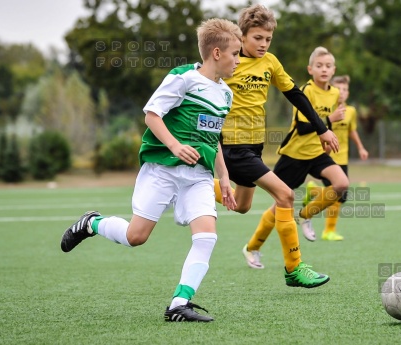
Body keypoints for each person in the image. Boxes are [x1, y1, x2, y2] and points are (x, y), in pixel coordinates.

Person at [59, 18, 241, 322]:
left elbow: (214, 138)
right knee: (136, 236)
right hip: (164, 169)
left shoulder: (226, 94)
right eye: (235, 53)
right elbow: (152, 115)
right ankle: (91, 223)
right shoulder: (183, 77)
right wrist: (174, 146)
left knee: (207, 237)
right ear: (217, 53)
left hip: (198, 177)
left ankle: (178, 304)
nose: (239, 60)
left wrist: (223, 177)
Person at [214, 5, 338, 288]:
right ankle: (294, 269)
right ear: (242, 36)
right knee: (285, 195)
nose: (263, 44)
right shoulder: (228, 63)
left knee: (243, 206)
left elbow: (295, 94)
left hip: (255, 147)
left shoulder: (270, 62)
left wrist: (322, 129)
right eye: (257, 37)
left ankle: (194, 188)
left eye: (268, 39)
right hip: (233, 146)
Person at [243, 46, 349, 267]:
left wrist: (328, 142)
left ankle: (305, 214)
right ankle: (252, 247)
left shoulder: (335, 93)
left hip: (318, 154)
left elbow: (327, 127)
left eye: (328, 66)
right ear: (310, 69)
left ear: (334, 70)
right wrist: (330, 121)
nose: (324, 70)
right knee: (279, 205)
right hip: (295, 155)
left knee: (341, 184)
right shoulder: (306, 91)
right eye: (319, 66)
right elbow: (302, 127)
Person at [302, 75, 369, 241]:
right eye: (339, 89)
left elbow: (352, 131)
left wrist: (360, 147)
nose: (343, 93)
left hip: (343, 157)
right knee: (337, 196)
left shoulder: (351, 111)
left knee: (341, 196)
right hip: (327, 156)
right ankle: (328, 231)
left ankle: (313, 190)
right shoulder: (326, 109)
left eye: (346, 90)